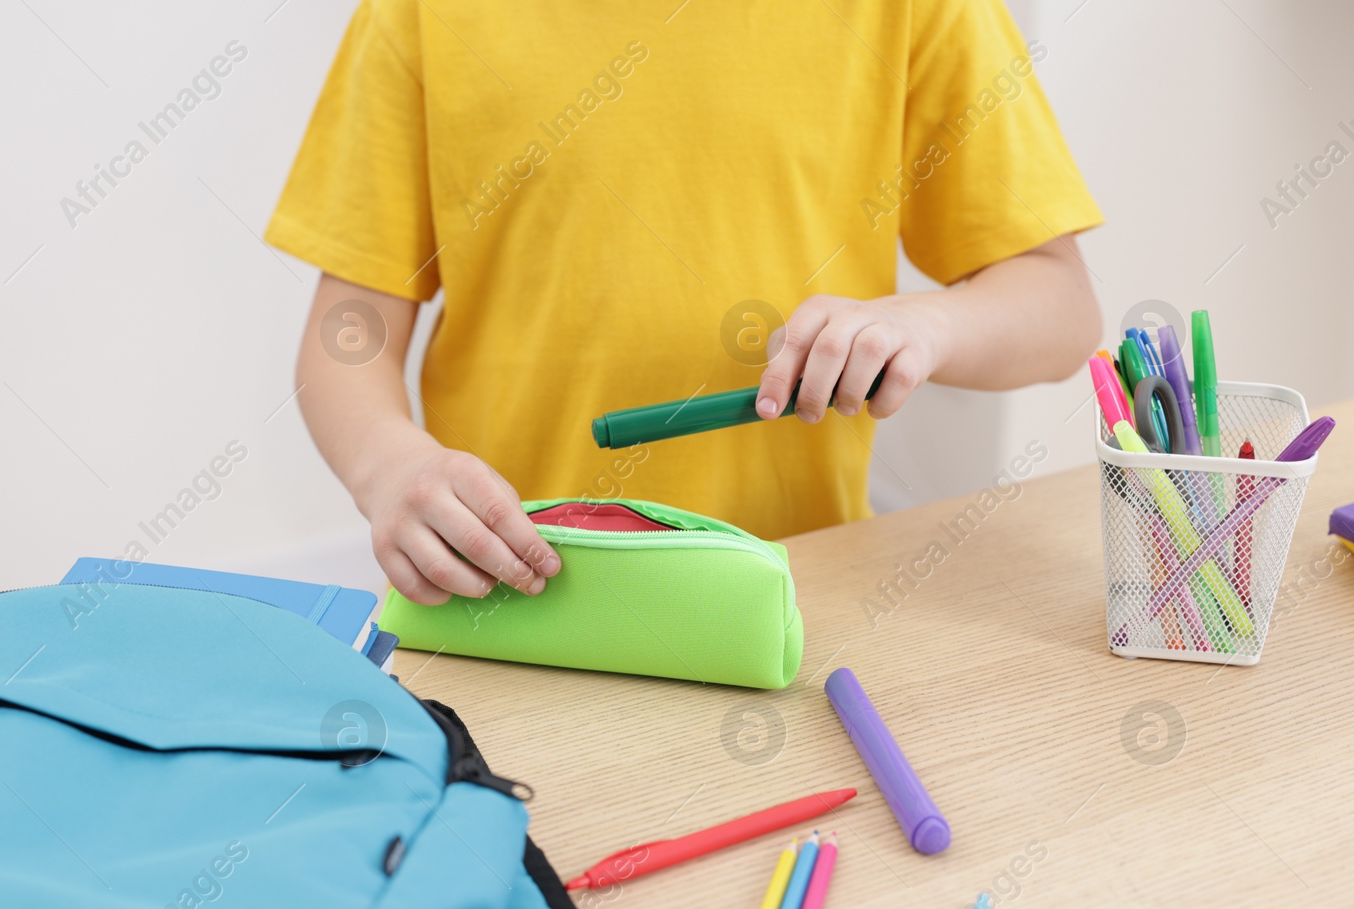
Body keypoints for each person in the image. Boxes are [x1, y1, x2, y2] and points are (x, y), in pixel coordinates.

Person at [268, 0, 1102, 606]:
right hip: (504, 590)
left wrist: (928, 323)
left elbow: (1060, 304)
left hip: (790, 590)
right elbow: (349, 331)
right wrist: (387, 466)